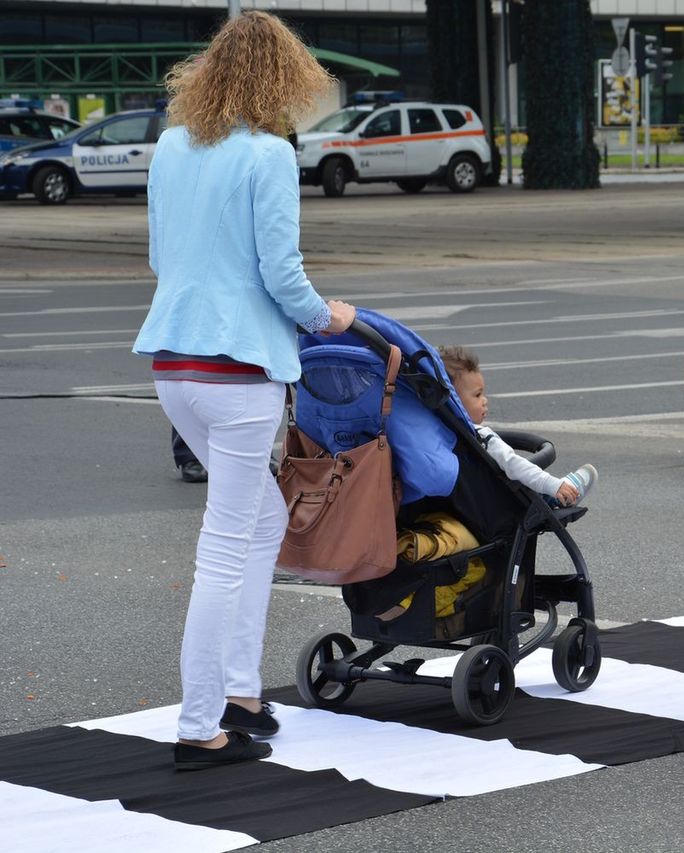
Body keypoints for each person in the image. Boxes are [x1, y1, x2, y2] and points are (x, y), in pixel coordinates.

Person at [132, 11, 356, 771]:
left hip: (175, 367)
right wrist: (330, 316)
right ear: (284, 80)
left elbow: (164, 254)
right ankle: (200, 724)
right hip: (240, 374)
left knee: (260, 519)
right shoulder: (268, 155)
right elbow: (281, 273)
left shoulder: (169, 147)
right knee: (226, 546)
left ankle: (238, 692)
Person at [438, 345, 597, 506]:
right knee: (520, 480)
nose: (484, 400)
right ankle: (562, 495)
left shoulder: (433, 434)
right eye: (478, 395)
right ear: (453, 401)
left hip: (458, 507)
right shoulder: (479, 438)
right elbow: (513, 464)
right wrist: (552, 484)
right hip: (499, 506)